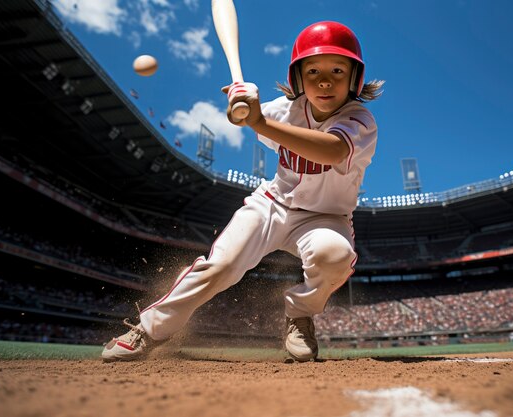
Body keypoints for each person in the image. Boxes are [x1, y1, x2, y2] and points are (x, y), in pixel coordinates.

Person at [101, 21, 384, 362]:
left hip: (326, 218)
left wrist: (258, 121)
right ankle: (149, 329)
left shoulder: (360, 120)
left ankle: (299, 314)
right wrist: (244, 107)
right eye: (313, 71)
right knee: (221, 266)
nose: (325, 81)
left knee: (334, 255)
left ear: (355, 79)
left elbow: (332, 151)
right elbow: (250, 116)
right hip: (272, 205)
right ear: (297, 78)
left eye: (338, 70)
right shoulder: (284, 110)